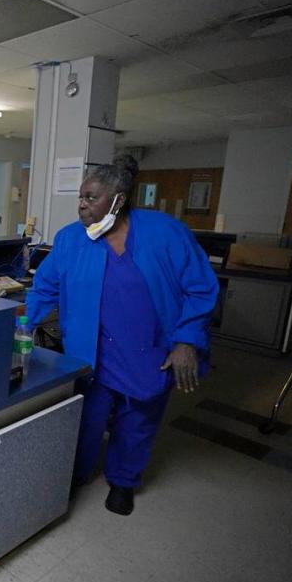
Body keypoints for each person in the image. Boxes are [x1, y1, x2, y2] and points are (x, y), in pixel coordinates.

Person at [25, 159, 219, 516]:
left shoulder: (166, 233)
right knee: (86, 418)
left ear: (118, 200)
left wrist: (186, 340)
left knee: (138, 418)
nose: (82, 204)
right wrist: (24, 322)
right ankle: (75, 475)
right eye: (81, 197)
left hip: (149, 350)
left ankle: (123, 481)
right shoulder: (71, 239)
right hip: (89, 351)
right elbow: (45, 286)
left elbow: (201, 289)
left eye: (91, 197)